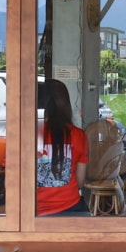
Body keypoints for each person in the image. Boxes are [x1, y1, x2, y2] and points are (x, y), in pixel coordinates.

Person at [36, 78, 89, 215]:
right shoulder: (77, 135)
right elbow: (80, 182)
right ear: (64, 103)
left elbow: (10, 181)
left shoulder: (22, 135)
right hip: (70, 209)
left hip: (30, 212)